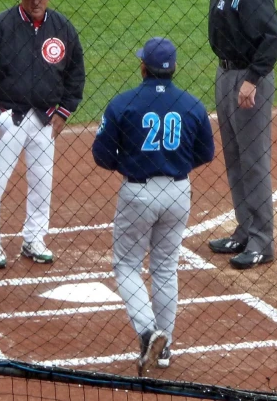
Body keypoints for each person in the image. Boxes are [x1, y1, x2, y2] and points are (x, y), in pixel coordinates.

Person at [92, 37, 215, 375]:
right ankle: (165, 348)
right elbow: (206, 153)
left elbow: (101, 154)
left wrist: (129, 164)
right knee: (164, 267)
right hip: (178, 192)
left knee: (127, 265)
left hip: (138, 192)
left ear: (142, 66)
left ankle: (148, 332)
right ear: (173, 68)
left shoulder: (123, 104)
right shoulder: (192, 105)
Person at [0, 0, 85, 268]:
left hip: (45, 119)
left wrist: (64, 111)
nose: (36, 2)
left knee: (41, 183)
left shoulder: (62, 27)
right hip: (6, 117)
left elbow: (76, 73)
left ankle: (34, 238)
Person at [206, 0, 277, 269]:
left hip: (248, 78)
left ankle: (262, 241)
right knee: (236, 158)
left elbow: (271, 39)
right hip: (226, 74)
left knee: (253, 160)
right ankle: (246, 229)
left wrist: (252, 80)